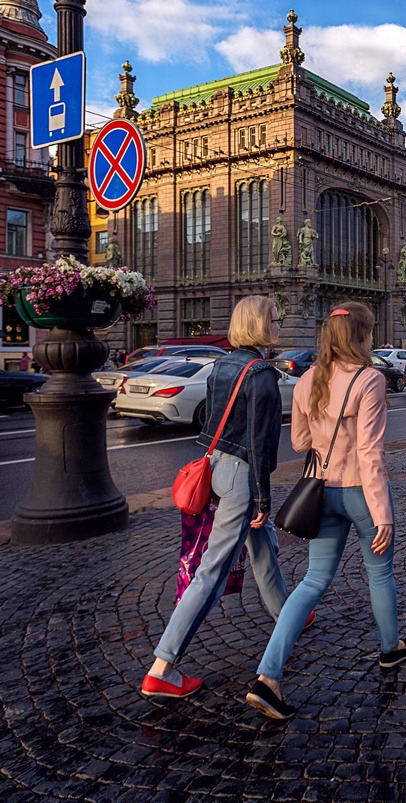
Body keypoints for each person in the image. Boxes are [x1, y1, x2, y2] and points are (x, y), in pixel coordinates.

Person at [246, 301, 406, 720]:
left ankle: (268, 676)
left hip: (322, 492)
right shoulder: (370, 379)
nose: (372, 338)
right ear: (360, 335)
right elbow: (371, 452)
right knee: (379, 571)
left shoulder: (308, 379)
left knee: (312, 580)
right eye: (370, 331)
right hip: (361, 490)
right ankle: (390, 648)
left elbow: (302, 442)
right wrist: (383, 514)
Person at [141, 295, 290, 700]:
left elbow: (210, 424)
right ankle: (163, 666)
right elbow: (261, 444)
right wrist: (263, 498)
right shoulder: (262, 374)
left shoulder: (220, 364)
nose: (280, 325)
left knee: (261, 543)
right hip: (243, 474)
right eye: (276, 319)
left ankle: (289, 612)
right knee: (211, 570)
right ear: (261, 325)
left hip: (215, 467)